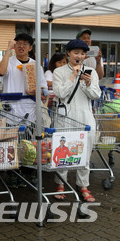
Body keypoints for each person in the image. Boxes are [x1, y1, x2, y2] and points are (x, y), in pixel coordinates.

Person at [53, 39, 101, 202]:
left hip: (85, 116)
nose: (79, 56)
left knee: (85, 152)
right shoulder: (59, 72)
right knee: (62, 151)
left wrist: (87, 83)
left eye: (82, 53)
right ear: (68, 53)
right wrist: (73, 75)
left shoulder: (91, 72)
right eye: (76, 53)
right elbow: (60, 93)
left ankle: (83, 185)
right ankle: (60, 183)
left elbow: (96, 95)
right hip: (65, 117)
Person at [0, 33, 47, 122]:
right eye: (19, 43)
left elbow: (43, 87)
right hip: (11, 108)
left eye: (25, 44)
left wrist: (36, 91)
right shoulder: (9, 61)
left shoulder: (35, 65)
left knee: (28, 133)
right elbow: (1, 72)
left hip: (30, 108)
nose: (21, 46)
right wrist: (8, 50)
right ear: (14, 46)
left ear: (30, 48)